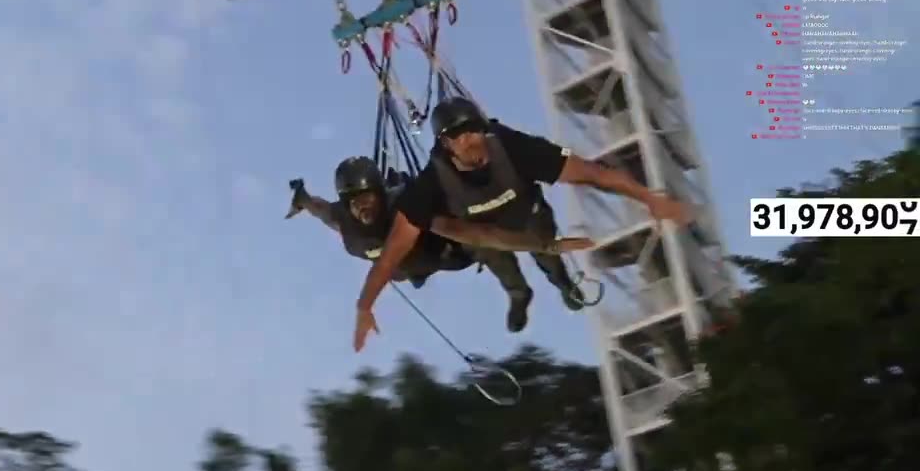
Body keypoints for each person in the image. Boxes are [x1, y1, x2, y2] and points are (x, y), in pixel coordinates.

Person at [352, 95, 693, 352]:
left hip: (528, 219)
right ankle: (519, 295)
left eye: (475, 131)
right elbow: (390, 255)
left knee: (549, 255)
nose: (472, 140)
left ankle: (563, 284)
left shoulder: (514, 148)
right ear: (446, 143)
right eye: (460, 136)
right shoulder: (428, 188)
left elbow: (593, 173)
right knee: (501, 265)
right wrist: (365, 305)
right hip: (485, 236)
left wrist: (649, 198)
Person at [287, 156, 475, 289]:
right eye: (353, 202)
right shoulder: (348, 223)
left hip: (444, 253)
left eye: (366, 198)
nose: (361, 207)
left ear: (379, 194)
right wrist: (302, 198)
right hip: (406, 270)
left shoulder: (404, 203)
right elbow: (323, 211)